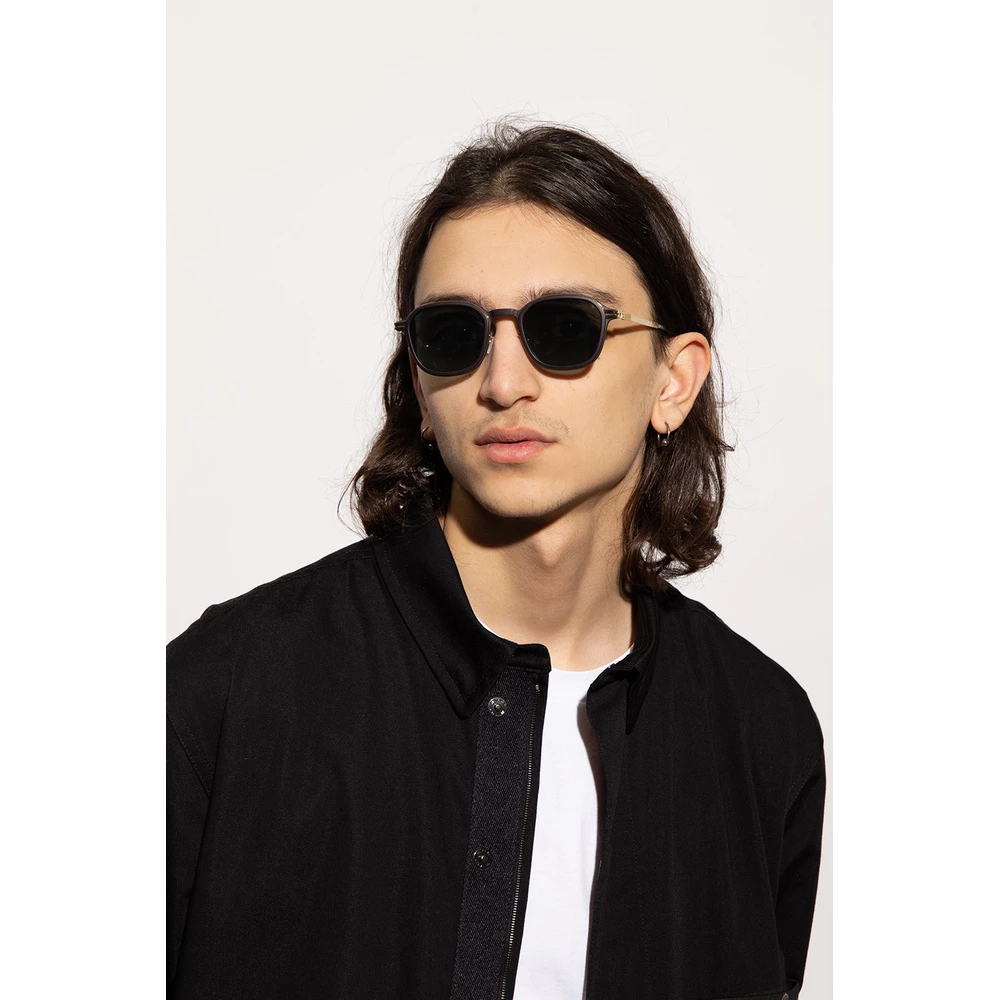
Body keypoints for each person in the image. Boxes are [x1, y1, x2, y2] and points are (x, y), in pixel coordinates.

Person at [167, 121, 825, 1000]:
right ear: (418, 380)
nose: (503, 382)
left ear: (673, 381)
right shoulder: (225, 691)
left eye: (566, 328)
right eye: (453, 334)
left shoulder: (760, 731)